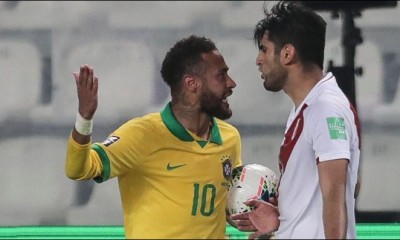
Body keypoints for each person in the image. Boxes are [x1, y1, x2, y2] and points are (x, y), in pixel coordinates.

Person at [65, 35, 242, 239]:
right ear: (192, 83)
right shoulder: (142, 134)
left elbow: (228, 206)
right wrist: (84, 119)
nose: (231, 83)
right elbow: (78, 170)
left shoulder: (230, 138)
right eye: (221, 76)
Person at [230, 1, 361, 239]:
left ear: (287, 54)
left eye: (264, 49)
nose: (259, 60)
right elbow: (319, 194)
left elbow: (335, 194)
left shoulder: (325, 108)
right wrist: (282, 218)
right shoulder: (306, 107)